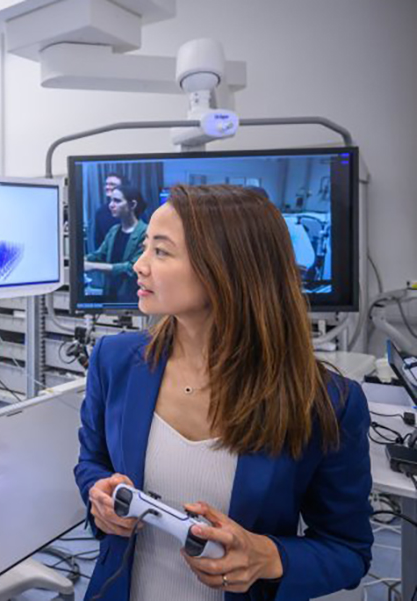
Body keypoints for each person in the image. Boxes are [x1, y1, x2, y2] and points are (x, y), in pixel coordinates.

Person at [75, 184, 372, 601]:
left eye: (161, 252)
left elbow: (349, 550)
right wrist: (100, 495)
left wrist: (267, 557)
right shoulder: (115, 360)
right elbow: (92, 462)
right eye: (146, 248)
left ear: (224, 267)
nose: (140, 265)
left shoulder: (326, 402)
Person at [84, 184, 147, 302]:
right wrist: (82, 260)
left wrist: (93, 266)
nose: (111, 205)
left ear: (132, 204)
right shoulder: (114, 230)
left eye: (117, 201)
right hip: (111, 293)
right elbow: (100, 255)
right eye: (110, 200)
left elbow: (131, 268)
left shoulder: (145, 232)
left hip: (133, 297)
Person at [92, 173, 123, 250]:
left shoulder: (134, 209)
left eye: (112, 184)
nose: (107, 187)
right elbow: (98, 241)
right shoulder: (100, 212)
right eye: (106, 184)